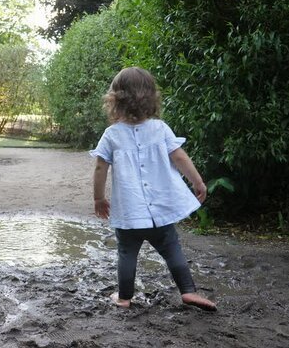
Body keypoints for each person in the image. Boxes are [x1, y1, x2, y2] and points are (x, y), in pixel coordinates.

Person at [90, 67, 217, 311]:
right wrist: (198, 182)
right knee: (172, 249)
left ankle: (124, 298)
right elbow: (180, 157)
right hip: (160, 212)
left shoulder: (111, 135)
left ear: (115, 100)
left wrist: (99, 198)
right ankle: (188, 291)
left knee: (126, 254)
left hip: (129, 215)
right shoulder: (160, 129)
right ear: (151, 98)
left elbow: (99, 168)